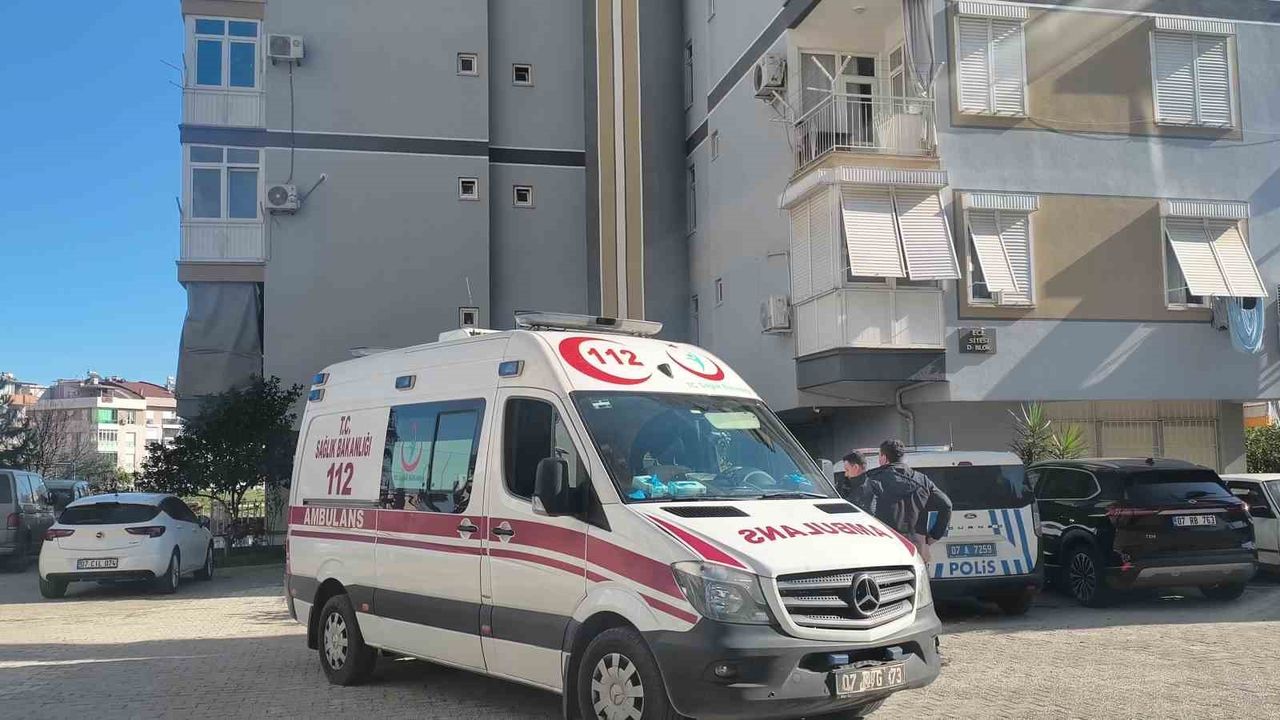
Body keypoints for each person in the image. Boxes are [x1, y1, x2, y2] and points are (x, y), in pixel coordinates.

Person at [863, 439, 952, 561]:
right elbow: (947, 505)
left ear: (884, 457)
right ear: (903, 457)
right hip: (916, 548)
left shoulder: (872, 479)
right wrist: (933, 536)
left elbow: (863, 511)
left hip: (884, 547)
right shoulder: (922, 480)